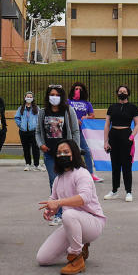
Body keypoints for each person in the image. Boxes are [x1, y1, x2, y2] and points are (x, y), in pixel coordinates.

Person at [36, 139, 106, 275]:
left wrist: (59, 203)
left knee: (68, 214)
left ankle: (76, 258)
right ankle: (80, 244)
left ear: (74, 154)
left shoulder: (82, 173)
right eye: (59, 153)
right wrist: (50, 210)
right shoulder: (58, 178)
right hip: (72, 223)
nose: (62, 155)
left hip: (93, 223)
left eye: (66, 152)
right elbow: (54, 199)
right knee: (42, 259)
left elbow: (83, 199)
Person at [36, 85, 81, 224]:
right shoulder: (43, 112)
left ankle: (70, 210)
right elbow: (38, 131)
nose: (54, 97)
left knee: (69, 181)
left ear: (61, 97)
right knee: (54, 181)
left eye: (56, 94)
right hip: (50, 153)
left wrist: (76, 149)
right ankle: (58, 213)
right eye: (51, 94)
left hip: (65, 154)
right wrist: (40, 144)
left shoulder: (68, 111)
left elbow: (75, 131)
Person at [103, 85, 138, 202]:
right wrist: (105, 141)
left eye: (124, 91)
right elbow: (107, 124)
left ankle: (129, 191)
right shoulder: (112, 107)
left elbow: (137, 124)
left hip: (126, 136)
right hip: (113, 136)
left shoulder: (133, 107)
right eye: (120, 91)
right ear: (117, 93)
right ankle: (114, 190)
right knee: (115, 165)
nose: (122, 93)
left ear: (128, 93)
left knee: (126, 165)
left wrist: (131, 136)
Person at [69, 82, 102, 183]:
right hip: (70, 130)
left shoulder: (87, 103)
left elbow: (92, 115)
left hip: (81, 131)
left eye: (80, 89)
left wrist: (85, 117)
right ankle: (70, 173)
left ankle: (90, 173)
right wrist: (75, 120)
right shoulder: (68, 102)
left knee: (86, 151)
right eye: (76, 88)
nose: (78, 91)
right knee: (70, 151)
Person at [14, 91, 41, 171]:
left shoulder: (37, 108)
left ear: (33, 98)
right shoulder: (21, 108)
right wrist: (21, 125)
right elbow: (17, 118)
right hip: (23, 132)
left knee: (35, 148)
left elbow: (40, 119)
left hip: (34, 131)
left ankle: (37, 165)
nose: (29, 98)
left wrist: (36, 126)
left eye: (30, 97)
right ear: (25, 98)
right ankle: (27, 164)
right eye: (27, 96)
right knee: (26, 148)